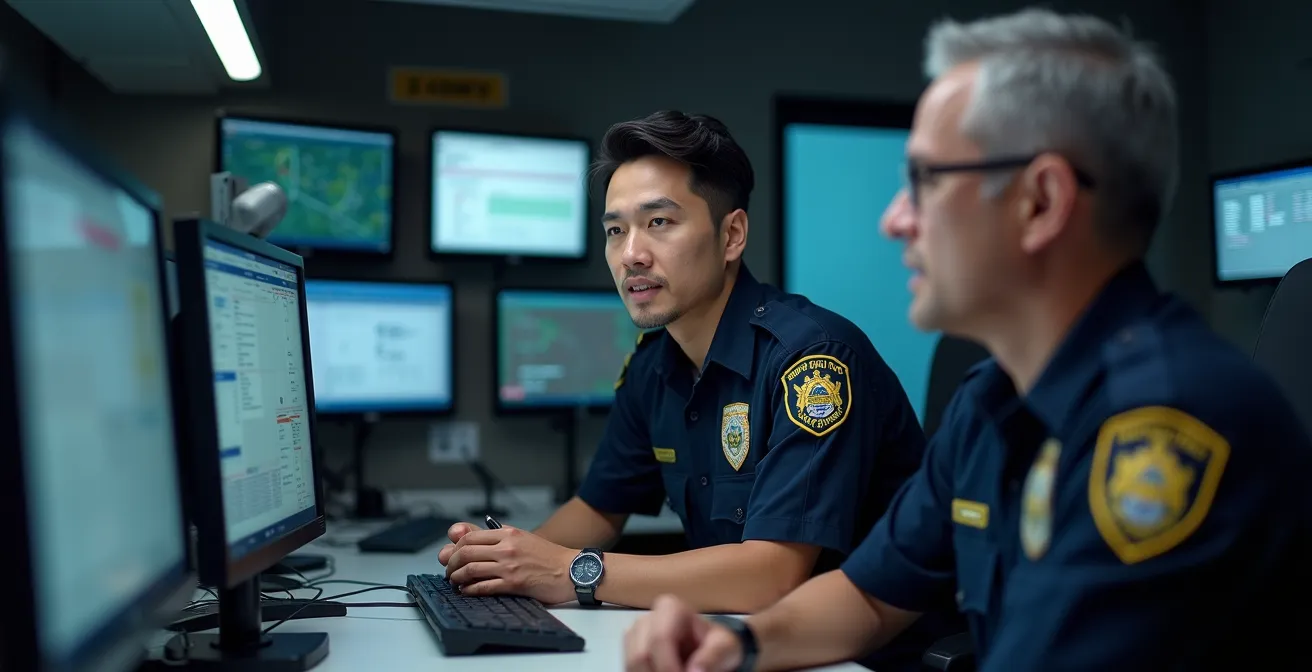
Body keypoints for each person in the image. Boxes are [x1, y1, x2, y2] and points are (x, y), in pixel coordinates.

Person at [621, 8, 1312, 672]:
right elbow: (867, 596)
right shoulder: (993, 403)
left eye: (925, 181)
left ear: (1040, 202)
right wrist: (736, 647)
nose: (895, 219)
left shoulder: (1165, 424)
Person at [439, 110, 959, 668]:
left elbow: (770, 573)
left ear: (731, 235)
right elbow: (599, 508)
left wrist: (565, 571)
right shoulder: (654, 364)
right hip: (738, 639)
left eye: (659, 222)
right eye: (616, 230)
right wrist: (504, 561)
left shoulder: (810, 361)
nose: (631, 253)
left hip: (860, 656)